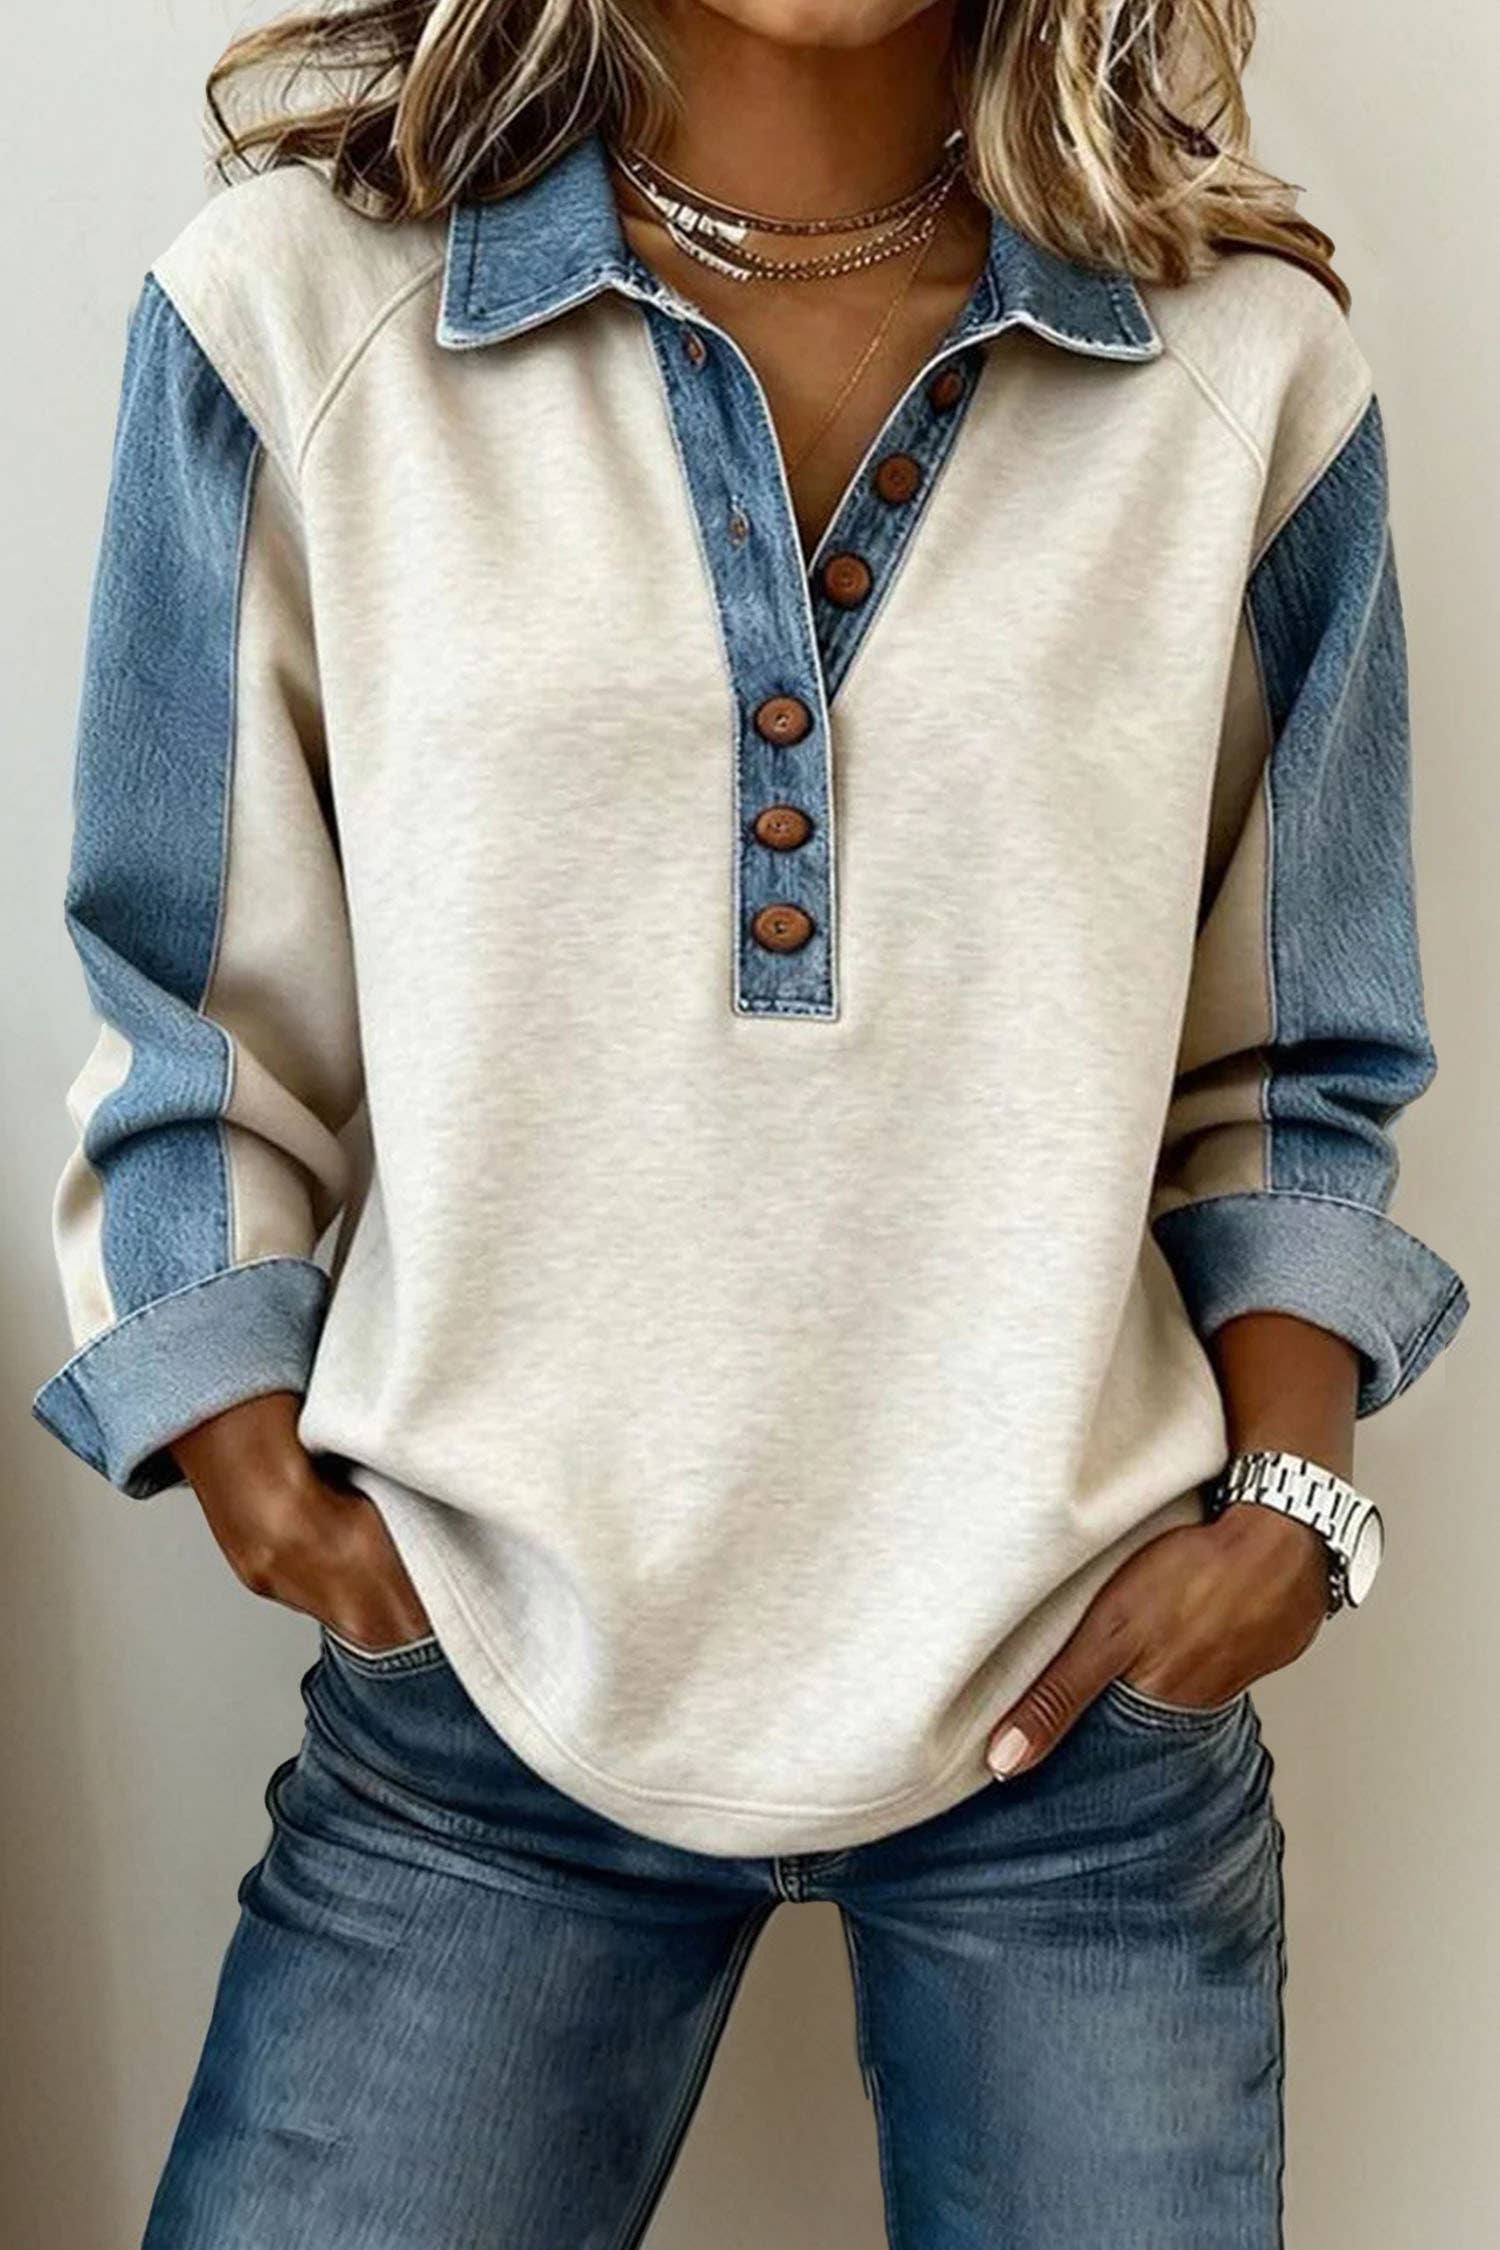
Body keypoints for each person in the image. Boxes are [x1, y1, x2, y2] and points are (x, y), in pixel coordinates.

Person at [34, 1, 1467, 2243]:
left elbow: (1292, 1054)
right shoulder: (297, 314)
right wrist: (259, 1470)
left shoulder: (1242, 374)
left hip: (1079, 1711)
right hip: (483, 1689)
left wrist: (1289, 1512)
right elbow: (190, 985)